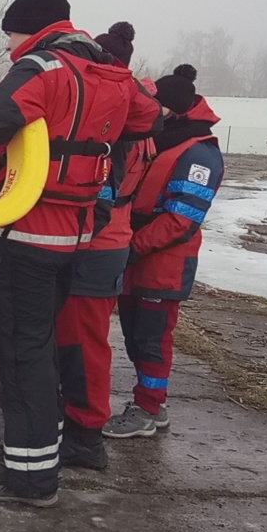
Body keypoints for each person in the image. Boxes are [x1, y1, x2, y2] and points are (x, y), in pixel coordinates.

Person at [0, 0, 160, 507]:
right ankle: (40, 452)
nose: (10, 47)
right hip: (73, 236)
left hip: (24, 233)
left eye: (11, 36)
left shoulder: (42, 67)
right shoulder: (110, 71)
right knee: (42, 346)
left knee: (21, 353)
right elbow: (149, 118)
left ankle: (29, 478)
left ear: (30, 29)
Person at [49, 22, 160, 469]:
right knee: (78, 340)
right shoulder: (137, 116)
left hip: (96, 243)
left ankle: (86, 434)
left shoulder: (116, 124)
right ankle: (76, 421)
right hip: (108, 240)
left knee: (83, 343)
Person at [105, 64, 223, 439]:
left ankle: (148, 408)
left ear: (173, 109)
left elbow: (182, 219)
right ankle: (152, 402)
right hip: (135, 254)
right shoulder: (159, 141)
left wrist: (131, 247)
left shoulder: (199, 155)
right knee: (134, 335)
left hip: (162, 263)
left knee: (152, 340)